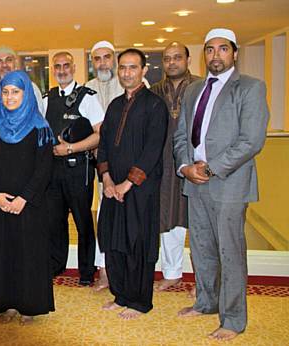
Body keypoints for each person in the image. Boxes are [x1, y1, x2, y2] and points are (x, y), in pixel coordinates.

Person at [174, 28, 270, 341]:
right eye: (210, 50)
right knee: (201, 248)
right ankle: (206, 302)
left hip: (229, 183)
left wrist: (212, 168)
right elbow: (181, 136)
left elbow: (251, 140)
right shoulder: (193, 89)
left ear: (234, 53)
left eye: (223, 49)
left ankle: (233, 320)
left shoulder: (251, 87)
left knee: (230, 253)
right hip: (194, 181)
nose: (216, 55)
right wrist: (186, 166)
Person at [97, 48, 168, 319]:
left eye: (132, 67)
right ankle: (121, 294)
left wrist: (128, 183)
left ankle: (139, 302)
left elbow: (152, 149)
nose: (127, 73)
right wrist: (106, 178)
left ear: (143, 71)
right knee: (114, 241)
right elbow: (103, 145)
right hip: (112, 187)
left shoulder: (154, 105)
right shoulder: (115, 105)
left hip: (139, 189)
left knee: (138, 242)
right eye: (123, 67)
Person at [0, 70, 54, 325]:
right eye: (6, 92)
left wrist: (24, 197)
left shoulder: (41, 128)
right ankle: (5, 303)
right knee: (1, 253)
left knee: (28, 254)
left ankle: (29, 305)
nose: (10, 97)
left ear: (27, 94)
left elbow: (44, 168)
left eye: (16, 92)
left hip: (29, 206)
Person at [86, 40, 150, 291]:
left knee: (132, 223)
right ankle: (105, 270)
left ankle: (130, 279)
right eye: (97, 59)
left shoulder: (136, 91)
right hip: (103, 167)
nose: (103, 63)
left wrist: (127, 179)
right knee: (105, 218)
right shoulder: (88, 89)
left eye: (107, 57)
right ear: (92, 63)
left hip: (132, 172)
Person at [42, 52, 105, 284]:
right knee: (54, 222)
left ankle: (87, 273)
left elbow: (100, 134)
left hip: (79, 170)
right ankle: (56, 266)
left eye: (66, 65)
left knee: (83, 223)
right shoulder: (47, 99)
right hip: (53, 172)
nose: (61, 70)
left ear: (74, 67)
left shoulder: (88, 97)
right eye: (57, 66)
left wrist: (71, 148)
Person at [150, 42, 201, 292]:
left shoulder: (202, 87)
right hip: (163, 164)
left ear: (188, 59)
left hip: (196, 164)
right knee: (168, 218)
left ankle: (205, 280)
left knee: (201, 222)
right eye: (167, 58)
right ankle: (172, 273)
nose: (172, 62)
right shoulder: (154, 90)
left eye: (177, 57)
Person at [0, 46, 43, 112]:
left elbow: (39, 117)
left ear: (15, 64)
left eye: (9, 60)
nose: (4, 65)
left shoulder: (30, 88)